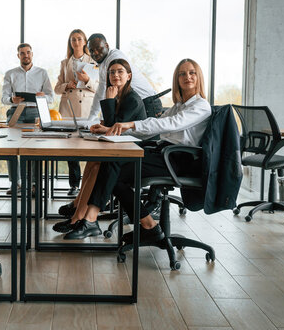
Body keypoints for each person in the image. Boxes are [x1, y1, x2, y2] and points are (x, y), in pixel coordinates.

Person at [64, 58, 212, 240]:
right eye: (182, 73)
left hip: (178, 159)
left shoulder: (201, 106)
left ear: (199, 77)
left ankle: (92, 220)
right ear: (177, 79)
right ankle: (146, 225)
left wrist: (130, 124)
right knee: (112, 172)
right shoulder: (178, 106)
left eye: (192, 73)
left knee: (112, 168)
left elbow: (171, 124)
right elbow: (154, 125)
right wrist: (117, 128)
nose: (187, 77)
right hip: (163, 152)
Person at [55, 59, 148, 237]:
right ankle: (77, 215)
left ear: (128, 76)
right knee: (93, 161)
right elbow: (112, 125)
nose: (115, 75)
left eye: (120, 72)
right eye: (112, 72)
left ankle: (83, 218)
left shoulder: (132, 99)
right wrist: (103, 126)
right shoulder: (118, 95)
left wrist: (109, 101)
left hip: (135, 150)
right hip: (121, 146)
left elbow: (115, 127)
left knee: (99, 165)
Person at [1, 43, 53, 193]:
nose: (26, 55)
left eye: (28, 52)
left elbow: (51, 98)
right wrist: (12, 100)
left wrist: (43, 97)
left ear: (32, 54)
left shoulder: (42, 73)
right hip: (16, 111)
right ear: (18, 56)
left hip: (35, 111)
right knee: (11, 147)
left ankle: (35, 185)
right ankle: (15, 183)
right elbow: (4, 97)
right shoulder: (10, 73)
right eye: (22, 53)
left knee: (35, 148)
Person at [54, 29, 98, 196]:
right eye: (73, 39)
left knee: (90, 147)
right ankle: (74, 185)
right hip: (68, 109)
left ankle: (90, 184)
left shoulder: (93, 62)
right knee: (71, 149)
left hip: (88, 109)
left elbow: (100, 87)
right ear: (70, 43)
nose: (76, 42)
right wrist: (67, 86)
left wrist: (87, 81)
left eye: (79, 39)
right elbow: (57, 88)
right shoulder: (65, 63)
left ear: (85, 42)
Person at [86, 33, 158, 121]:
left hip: (148, 102)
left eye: (98, 48)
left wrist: (101, 118)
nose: (95, 53)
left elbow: (109, 90)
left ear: (107, 45)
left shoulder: (114, 58)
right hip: (132, 103)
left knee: (145, 133)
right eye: (91, 50)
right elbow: (100, 92)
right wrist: (90, 119)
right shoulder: (102, 63)